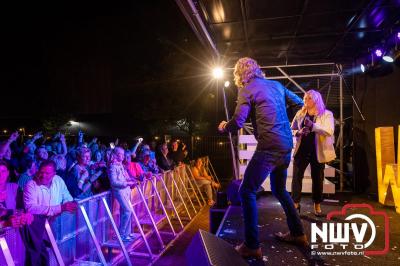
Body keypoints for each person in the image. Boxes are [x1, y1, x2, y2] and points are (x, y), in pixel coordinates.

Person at [218, 57, 307, 259]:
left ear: (240, 74)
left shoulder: (247, 89)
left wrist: (225, 127)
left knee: (246, 191)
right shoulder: (276, 84)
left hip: (269, 146)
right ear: (257, 70)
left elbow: (238, 121)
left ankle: (251, 245)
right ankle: (298, 233)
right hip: (286, 145)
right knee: (279, 189)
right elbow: (300, 102)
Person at [22, 160, 77, 266]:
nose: (43, 175)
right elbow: (31, 208)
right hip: (39, 231)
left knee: (57, 256)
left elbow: (67, 197)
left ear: (54, 174)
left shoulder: (58, 180)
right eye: (41, 172)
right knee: (45, 257)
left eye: (47, 173)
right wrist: (59, 208)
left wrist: (68, 205)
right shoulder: (31, 185)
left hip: (57, 226)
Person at [290, 90, 336, 216]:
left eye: (309, 98)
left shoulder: (326, 114)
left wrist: (313, 126)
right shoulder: (300, 114)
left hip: (317, 151)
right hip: (302, 150)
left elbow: (329, 131)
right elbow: (292, 130)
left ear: (316, 100)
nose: (306, 100)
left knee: (317, 179)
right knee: (297, 177)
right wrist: (298, 132)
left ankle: (317, 204)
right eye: (305, 98)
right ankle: (295, 204)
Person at [108, 147, 136, 241]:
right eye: (121, 154)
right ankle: (121, 234)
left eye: (124, 154)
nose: (123, 156)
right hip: (119, 191)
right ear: (115, 155)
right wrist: (126, 183)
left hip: (126, 191)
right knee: (128, 211)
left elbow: (124, 177)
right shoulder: (112, 166)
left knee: (127, 211)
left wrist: (130, 180)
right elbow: (114, 182)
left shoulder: (120, 165)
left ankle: (127, 234)